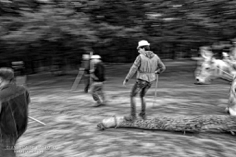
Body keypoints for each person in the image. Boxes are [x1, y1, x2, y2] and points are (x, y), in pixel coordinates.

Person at [123, 40, 166, 121]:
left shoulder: (140, 57)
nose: (138, 50)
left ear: (143, 48)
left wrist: (127, 78)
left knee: (132, 96)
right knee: (142, 96)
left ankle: (133, 116)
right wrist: (157, 72)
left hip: (141, 80)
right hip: (151, 81)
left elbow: (133, 69)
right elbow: (163, 67)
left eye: (139, 48)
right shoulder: (156, 57)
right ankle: (143, 114)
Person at [0, 68, 30, 157]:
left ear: (1, 79)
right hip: (20, 126)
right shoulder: (23, 89)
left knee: (5, 152)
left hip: (5, 130)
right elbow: (26, 103)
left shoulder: (1, 95)